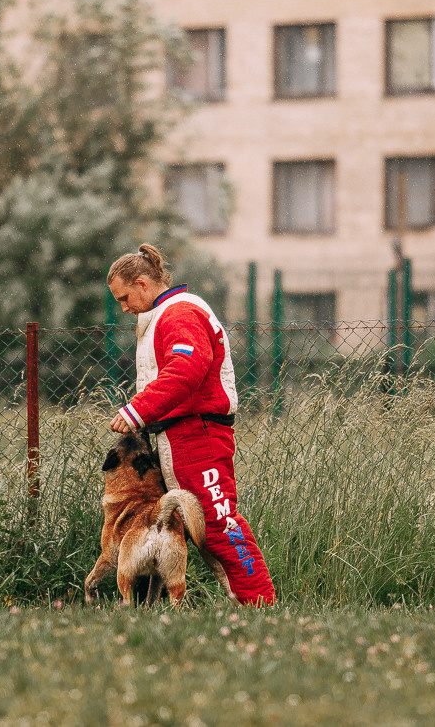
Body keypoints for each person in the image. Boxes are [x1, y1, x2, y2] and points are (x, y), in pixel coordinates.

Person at [106, 244, 275, 606]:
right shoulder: (165, 315)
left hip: (198, 432)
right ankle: (243, 604)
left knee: (219, 524)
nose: (123, 307)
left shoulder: (179, 314)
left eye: (124, 297)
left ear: (142, 284)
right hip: (180, 433)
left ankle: (260, 603)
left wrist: (136, 411)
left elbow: (186, 370)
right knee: (194, 525)